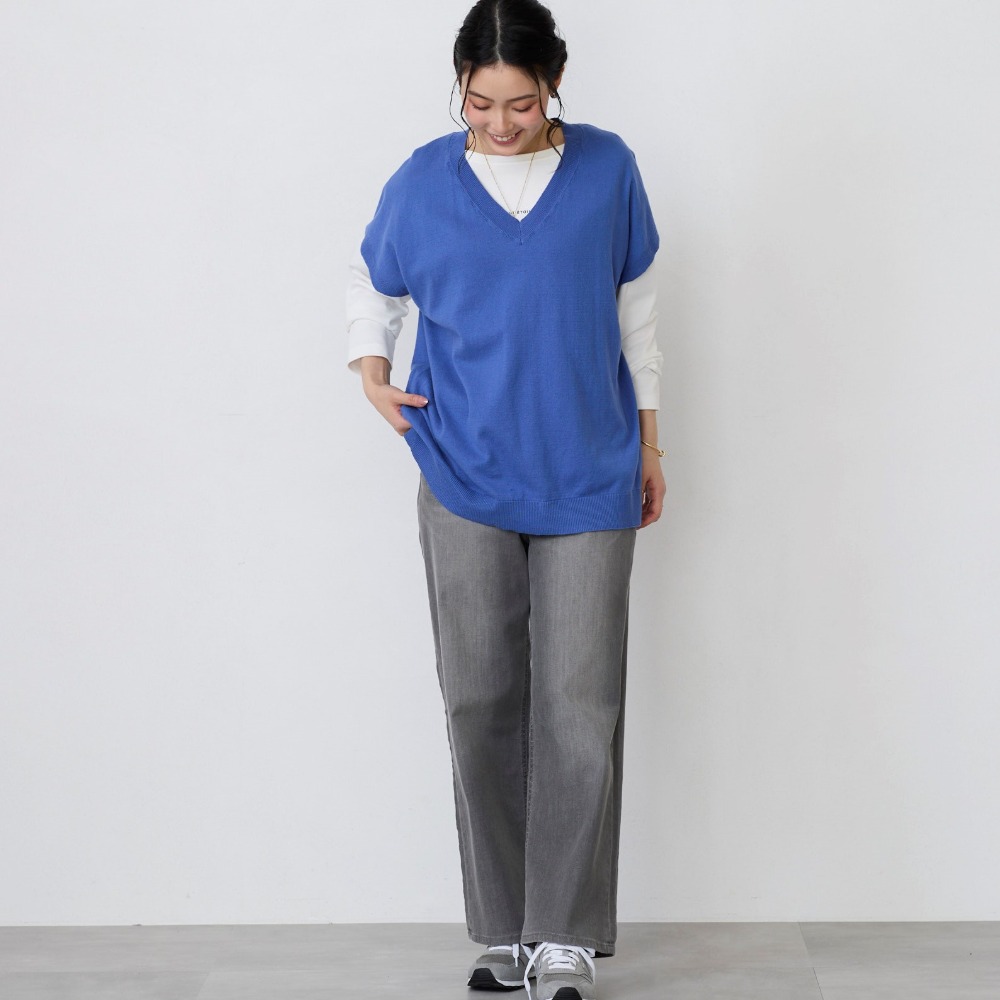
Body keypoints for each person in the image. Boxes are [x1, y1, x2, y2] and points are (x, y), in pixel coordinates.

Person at [346, 2, 664, 997]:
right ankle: (502, 929)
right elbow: (374, 285)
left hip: (590, 468)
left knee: (580, 706)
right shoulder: (421, 181)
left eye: (520, 103)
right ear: (460, 89)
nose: (498, 122)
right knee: (479, 696)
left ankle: (561, 932)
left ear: (554, 84)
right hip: (462, 468)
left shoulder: (607, 170)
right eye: (478, 103)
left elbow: (637, 313)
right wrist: (370, 367)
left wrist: (652, 442)